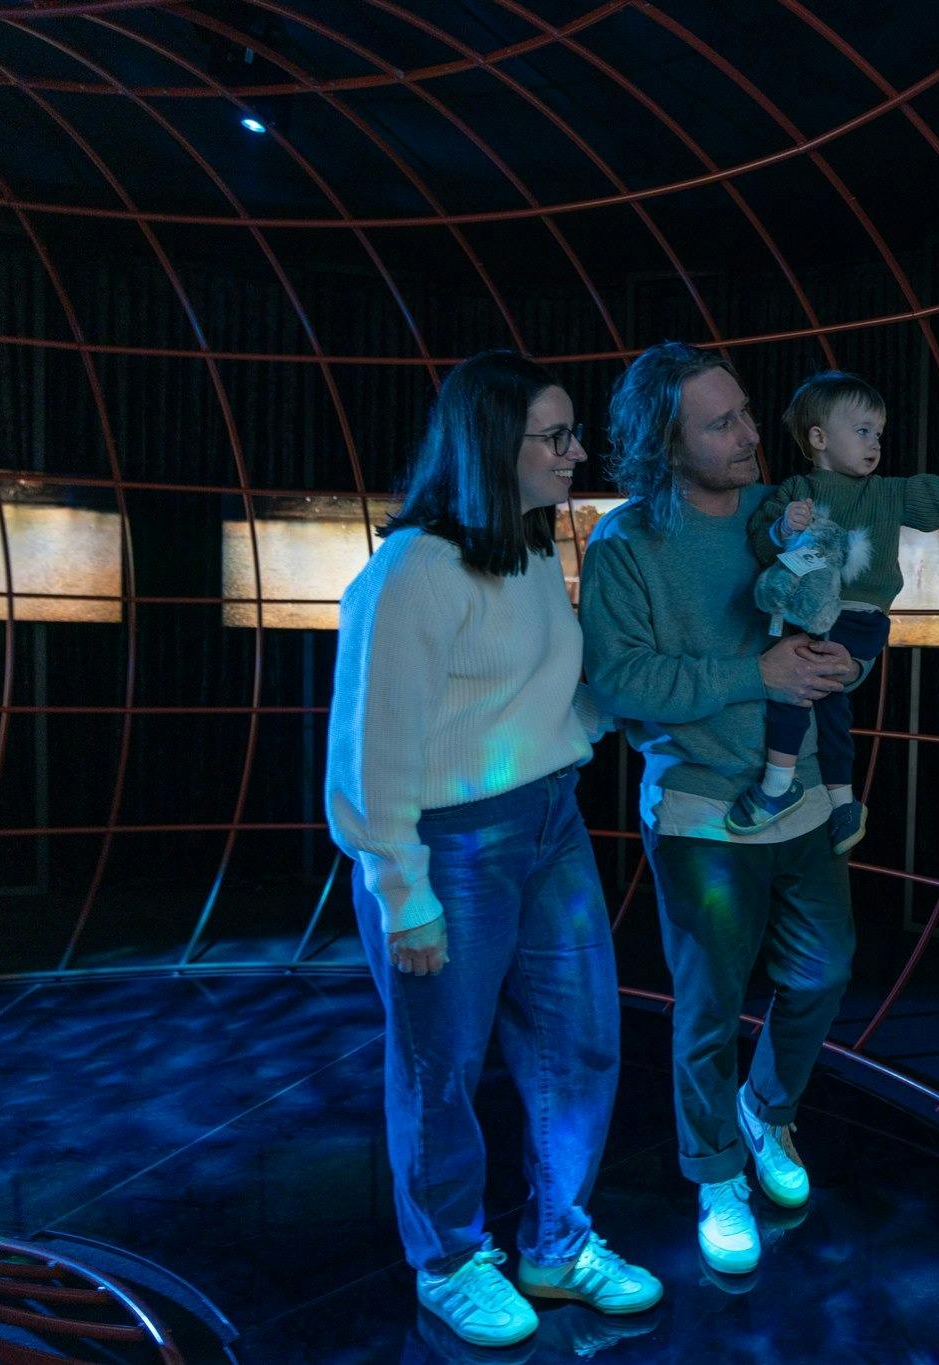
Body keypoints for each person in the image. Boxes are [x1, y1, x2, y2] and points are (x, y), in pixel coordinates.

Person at [326, 350, 660, 1348]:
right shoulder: (413, 573)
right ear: (490, 446)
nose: (577, 452)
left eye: (573, 433)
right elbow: (370, 749)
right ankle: (450, 1260)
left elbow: (550, 701)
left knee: (581, 1043)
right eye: (554, 437)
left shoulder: (522, 554)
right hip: (450, 847)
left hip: (549, 823)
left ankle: (557, 1245)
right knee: (443, 1067)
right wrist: (401, 890)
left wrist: (689, 678)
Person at [578, 342, 866, 1277]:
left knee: (824, 972)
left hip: (805, 795)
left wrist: (843, 659)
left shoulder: (783, 512)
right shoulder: (625, 545)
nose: (750, 434)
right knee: (708, 1008)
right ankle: (715, 1177)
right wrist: (759, 672)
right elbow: (622, 680)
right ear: (667, 442)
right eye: (723, 423)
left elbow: (831, 615)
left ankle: (767, 1111)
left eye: (746, 413)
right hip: (702, 816)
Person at [736, 370, 939, 850]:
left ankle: (779, 788)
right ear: (819, 438)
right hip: (809, 611)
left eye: (877, 434)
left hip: (858, 616)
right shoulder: (796, 491)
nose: (874, 443)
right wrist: (782, 528)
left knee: (798, 693)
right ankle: (842, 803)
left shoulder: (887, 492)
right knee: (824, 701)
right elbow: (762, 541)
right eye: (862, 431)